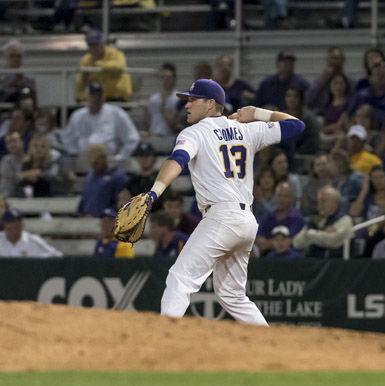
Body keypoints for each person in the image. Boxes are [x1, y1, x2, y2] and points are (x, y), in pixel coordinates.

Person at [138, 78, 304, 322]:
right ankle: (271, 346)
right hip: (246, 220)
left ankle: (165, 338)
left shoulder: (194, 132)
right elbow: (296, 125)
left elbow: (177, 161)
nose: (187, 105)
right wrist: (257, 113)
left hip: (221, 218)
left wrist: (153, 193)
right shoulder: (247, 129)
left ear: (210, 104)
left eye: (193, 100)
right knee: (232, 295)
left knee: (180, 278)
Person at [60, 82, 140, 166]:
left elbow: (132, 138)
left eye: (99, 96)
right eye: (92, 96)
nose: (96, 99)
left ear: (103, 97)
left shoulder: (116, 113)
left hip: (110, 164)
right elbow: (67, 139)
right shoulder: (77, 116)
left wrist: (120, 157)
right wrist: (75, 154)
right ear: (86, 96)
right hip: (84, 163)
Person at [350, 165, 385, 257]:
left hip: (384, 236)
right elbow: (354, 213)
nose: (379, 181)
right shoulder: (367, 200)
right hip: (365, 235)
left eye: (381, 177)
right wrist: (364, 191)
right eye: (375, 178)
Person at [293, 185, 353, 258]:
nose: (320, 205)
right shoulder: (315, 220)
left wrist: (311, 235)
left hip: (335, 264)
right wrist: (319, 234)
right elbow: (297, 243)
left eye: (323, 201)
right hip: (312, 263)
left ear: (335, 203)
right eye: (318, 201)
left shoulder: (344, 219)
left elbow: (334, 241)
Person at [75, 29, 132, 102]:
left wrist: (99, 65)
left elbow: (119, 66)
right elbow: (80, 84)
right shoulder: (86, 60)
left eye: (96, 44)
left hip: (117, 97)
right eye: (91, 45)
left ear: (102, 44)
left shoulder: (115, 54)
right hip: (97, 98)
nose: (94, 48)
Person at [77, 144, 128, 217]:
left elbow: (123, 202)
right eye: (92, 163)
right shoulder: (89, 177)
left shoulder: (118, 177)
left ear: (104, 157)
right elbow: (84, 200)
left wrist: (108, 213)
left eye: (96, 162)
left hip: (109, 220)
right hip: (87, 219)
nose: (94, 165)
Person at [255, 181, 305, 253]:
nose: (281, 199)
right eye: (279, 195)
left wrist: (269, 243)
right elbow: (260, 241)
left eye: (285, 196)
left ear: (292, 198)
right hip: (267, 258)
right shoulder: (268, 217)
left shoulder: (297, 218)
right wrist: (279, 243)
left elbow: (292, 242)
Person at [306, 47, 353, 114]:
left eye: (336, 58)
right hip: (322, 116)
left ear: (343, 60)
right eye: (331, 58)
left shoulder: (350, 82)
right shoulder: (320, 81)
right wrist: (321, 82)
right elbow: (308, 100)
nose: (334, 62)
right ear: (327, 61)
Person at [145, 62, 179, 137]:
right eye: (163, 77)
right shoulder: (153, 99)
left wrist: (163, 107)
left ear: (174, 79)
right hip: (154, 135)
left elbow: (173, 124)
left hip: (170, 137)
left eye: (168, 77)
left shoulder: (178, 98)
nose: (165, 80)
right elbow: (148, 121)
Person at [0, 39, 35, 103]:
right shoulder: (1, 75)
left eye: (18, 56)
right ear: (6, 58)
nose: (15, 59)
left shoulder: (28, 75)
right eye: (12, 56)